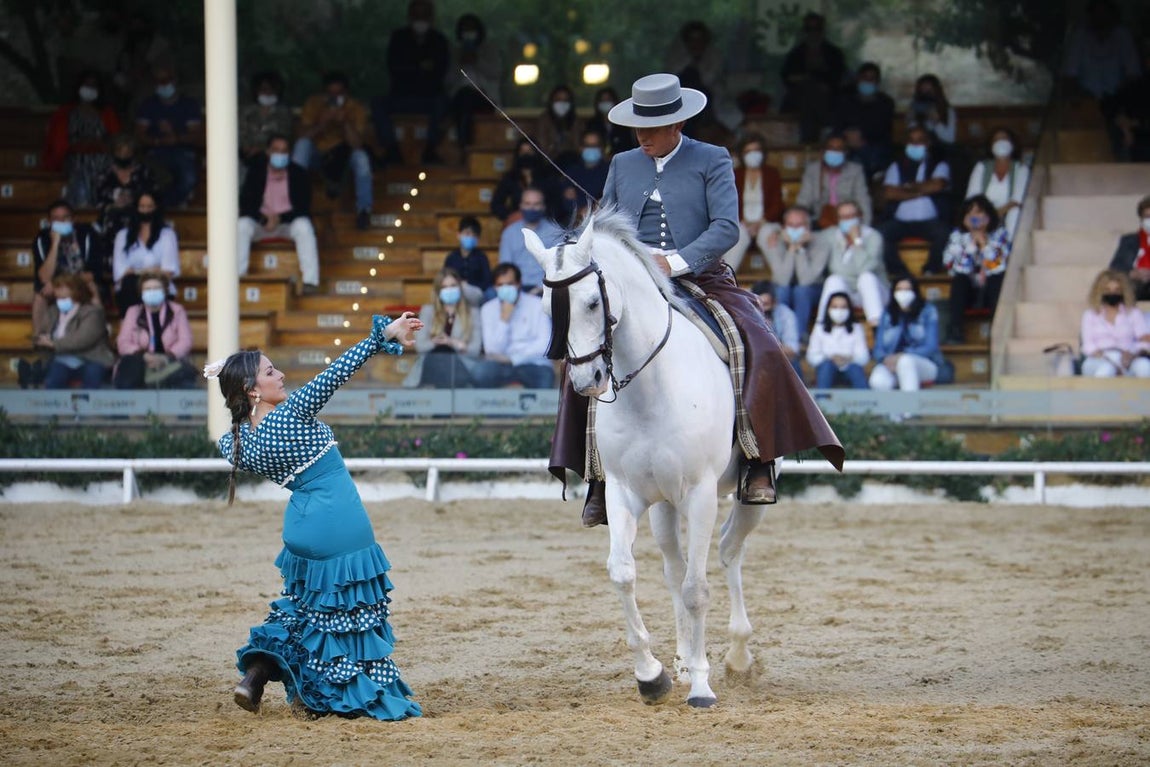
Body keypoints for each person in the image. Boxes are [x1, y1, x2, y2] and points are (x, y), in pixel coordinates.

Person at [551, 73, 843, 526]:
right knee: (583, 354)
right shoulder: (623, 164)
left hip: (701, 276)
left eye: (651, 127)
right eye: (638, 128)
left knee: (759, 342)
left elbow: (727, 227)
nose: (642, 136)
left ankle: (757, 459)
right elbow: (603, 226)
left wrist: (677, 262)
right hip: (635, 284)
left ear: (677, 125)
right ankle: (597, 476)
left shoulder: (713, 158)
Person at [210, 311, 424, 720]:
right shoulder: (290, 417)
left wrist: (238, 397)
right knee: (348, 617)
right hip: (338, 520)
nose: (281, 375)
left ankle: (256, 674)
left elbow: (227, 436)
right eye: (270, 372)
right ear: (252, 388)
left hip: (301, 525)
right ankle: (329, 697)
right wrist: (384, 336)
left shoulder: (237, 442)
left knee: (302, 608)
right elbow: (337, 372)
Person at [238, 134, 320, 294]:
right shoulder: (255, 172)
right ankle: (238, 278)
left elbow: (303, 208)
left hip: (287, 224)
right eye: (276, 150)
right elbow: (245, 204)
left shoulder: (299, 174)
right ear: (268, 152)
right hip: (261, 223)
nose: (280, 155)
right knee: (241, 225)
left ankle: (311, 282)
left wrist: (280, 218)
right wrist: (264, 220)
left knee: (304, 226)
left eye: (284, 151)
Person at [293, 71, 373, 230]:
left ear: (346, 93)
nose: (335, 99)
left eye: (339, 94)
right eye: (331, 94)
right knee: (302, 146)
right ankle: (296, 206)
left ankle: (364, 210)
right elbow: (301, 136)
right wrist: (322, 123)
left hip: (343, 156)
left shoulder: (355, 107)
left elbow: (357, 144)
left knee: (362, 158)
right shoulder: (314, 103)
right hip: (318, 153)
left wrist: (345, 123)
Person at [374, 0, 450, 165]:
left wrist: (413, 67)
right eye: (416, 14)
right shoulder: (398, 38)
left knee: (444, 103)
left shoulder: (439, 40)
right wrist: (421, 67)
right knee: (378, 103)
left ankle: (430, 150)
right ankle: (391, 149)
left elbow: (440, 71)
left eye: (424, 15)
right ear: (409, 16)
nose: (420, 18)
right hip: (402, 96)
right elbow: (394, 68)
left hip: (430, 98)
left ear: (431, 17)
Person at [878, 125, 952, 275]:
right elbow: (889, 193)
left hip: (930, 222)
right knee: (879, 234)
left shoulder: (939, 164)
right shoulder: (896, 166)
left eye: (920, 141)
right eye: (911, 141)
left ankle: (931, 269)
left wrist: (905, 189)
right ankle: (900, 272)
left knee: (945, 233)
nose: (915, 145)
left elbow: (937, 185)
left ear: (928, 143)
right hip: (900, 223)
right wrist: (921, 191)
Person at [44, 70, 122, 208]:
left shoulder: (106, 113)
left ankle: (105, 207)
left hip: (101, 154)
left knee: (109, 169)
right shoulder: (66, 112)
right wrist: (82, 145)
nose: (89, 89)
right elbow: (59, 141)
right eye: (86, 85)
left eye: (93, 86)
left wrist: (100, 145)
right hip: (75, 156)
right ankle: (83, 208)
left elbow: (115, 139)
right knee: (83, 169)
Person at [942, 195, 1011, 345]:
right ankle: (955, 332)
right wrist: (972, 246)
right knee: (959, 280)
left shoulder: (1001, 235)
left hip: (991, 291)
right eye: (969, 213)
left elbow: (999, 267)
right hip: (969, 293)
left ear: (988, 216)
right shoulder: (956, 237)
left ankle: (998, 332)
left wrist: (984, 245)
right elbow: (953, 267)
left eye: (978, 212)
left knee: (997, 279)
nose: (974, 216)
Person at [474, 264, 554, 388]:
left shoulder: (537, 305)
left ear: (519, 284)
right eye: (500, 285)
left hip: (533, 364)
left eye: (510, 284)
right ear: (495, 287)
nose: (505, 288)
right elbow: (492, 350)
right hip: (500, 366)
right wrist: (504, 320)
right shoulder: (488, 309)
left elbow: (545, 345)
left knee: (545, 377)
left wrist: (513, 359)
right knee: (480, 373)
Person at [134, 64, 203, 208]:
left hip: (183, 153)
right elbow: (139, 135)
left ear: (175, 80)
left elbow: (197, 135)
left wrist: (176, 138)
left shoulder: (188, 105)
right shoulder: (148, 105)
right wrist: (158, 141)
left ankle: (165, 208)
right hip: (155, 153)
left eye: (166, 80)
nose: (163, 84)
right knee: (147, 179)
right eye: (159, 81)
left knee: (189, 178)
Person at [113, 271, 196, 389]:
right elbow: (123, 342)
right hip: (140, 362)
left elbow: (186, 341)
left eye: (156, 288)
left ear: (165, 291)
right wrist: (144, 355)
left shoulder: (177, 311)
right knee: (129, 369)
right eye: (148, 289)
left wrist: (166, 357)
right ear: (141, 292)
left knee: (183, 377)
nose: (152, 291)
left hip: (170, 362)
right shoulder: (133, 312)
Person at [32, 199, 103, 332]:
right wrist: (55, 244)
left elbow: (94, 273)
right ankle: (39, 339)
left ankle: (98, 334)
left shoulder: (87, 235)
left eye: (65, 218)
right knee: (39, 294)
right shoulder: (42, 238)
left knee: (92, 287)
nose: (61, 222)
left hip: (80, 282)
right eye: (56, 219)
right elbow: (43, 276)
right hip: (54, 285)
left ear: (73, 219)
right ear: (49, 222)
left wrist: (65, 284)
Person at [32, 273, 114, 389]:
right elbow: (43, 332)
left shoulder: (93, 312)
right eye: (58, 297)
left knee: (93, 374)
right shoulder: (53, 312)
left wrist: (53, 343)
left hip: (91, 359)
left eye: (64, 298)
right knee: (54, 376)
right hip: (61, 359)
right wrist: (40, 340)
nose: (60, 301)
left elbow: (82, 340)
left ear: (77, 294)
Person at [813, 200, 888, 326]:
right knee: (833, 280)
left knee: (866, 278)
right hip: (847, 295)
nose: (848, 220)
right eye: (843, 217)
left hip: (875, 293)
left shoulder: (873, 236)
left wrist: (857, 242)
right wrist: (777, 233)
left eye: (851, 216)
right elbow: (810, 236)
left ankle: (878, 328)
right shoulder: (831, 235)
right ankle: (821, 326)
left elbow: (865, 268)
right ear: (838, 220)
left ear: (860, 216)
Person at [405, 268, 482, 388]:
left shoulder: (472, 313)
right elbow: (420, 346)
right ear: (438, 291)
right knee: (440, 352)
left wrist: (451, 343)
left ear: (460, 288)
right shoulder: (428, 311)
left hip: (462, 367)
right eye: (444, 287)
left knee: (446, 352)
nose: (449, 290)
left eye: (453, 286)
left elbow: (475, 350)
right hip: (432, 365)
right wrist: (436, 342)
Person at [780, 12, 846, 143]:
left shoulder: (834, 54)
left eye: (817, 29)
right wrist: (808, 80)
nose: (813, 33)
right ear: (804, 31)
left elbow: (838, 78)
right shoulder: (796, 54)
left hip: (829, 100)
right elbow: (787, 78)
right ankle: (822, 133)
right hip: (799, 101)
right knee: (809, 93)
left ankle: (811, 139)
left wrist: (815, 81)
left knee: (815, 95)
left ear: (822, 30)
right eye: (809, 29)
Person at [869, 275, 944, 391]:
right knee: (878, 380)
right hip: (891, 363)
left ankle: (909, 409)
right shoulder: (887, 313)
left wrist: (902, 355)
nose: (903, 293)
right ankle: (891, 410)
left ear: (915, 292)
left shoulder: (928, 311)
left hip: (924, 363)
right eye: (899, 289)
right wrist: (885, 359)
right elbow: (878, 348)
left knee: (905, 361)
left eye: (907, 289)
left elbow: (931, 346)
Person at [722, 132, 783, 272]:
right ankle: (726, 280)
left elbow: (777, 204)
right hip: (741, 223)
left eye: (756, 150)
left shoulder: (772, 173)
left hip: (766, 222)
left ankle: (781, 281)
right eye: (748, 151)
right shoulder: (735, 174)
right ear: (742, 154)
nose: (753, 154)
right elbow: (729, 203)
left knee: (768, 235)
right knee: (738, 235)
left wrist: (760, 222)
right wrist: (745, 222)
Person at [762, 206, 826, 335]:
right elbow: (782, 279)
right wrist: (792, 249)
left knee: (801, 291)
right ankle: (779, 337)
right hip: (783, 287)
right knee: (781, 290)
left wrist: (800, 249)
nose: (795, 229)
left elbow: (806, 280)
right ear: (784, 227)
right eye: (791, 225)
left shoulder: (820, 242)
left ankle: (798, 337)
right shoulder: (775, 240)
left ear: (808, 226)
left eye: (799, 225)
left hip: (811, 289)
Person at [112, 192, 179, 314]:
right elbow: (120, 273)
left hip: (160, 289)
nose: (146, 210)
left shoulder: (167, 235)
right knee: (129, 283)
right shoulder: (122, 236)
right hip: (130, 289)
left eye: (150, 206)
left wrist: (136, 271)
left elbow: (168, 271)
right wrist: (153, 269)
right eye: (142, 206)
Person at [1079, 269, 1150, 378]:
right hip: (1099, 359)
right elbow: (1088, 345)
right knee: (1107, 370)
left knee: (1145, 367)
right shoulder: (1090, 315)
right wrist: (1110, 361)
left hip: (1128, 357)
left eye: (1117, 290)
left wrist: (1132, 355)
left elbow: (1144, 340)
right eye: (1107, 290)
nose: (1112, 293)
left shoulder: (1133, 313)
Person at [446, 13, 501, 152]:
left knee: (468, 98)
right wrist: (461, 62)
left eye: (471, 29)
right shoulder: (454, 53)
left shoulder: (490, 50)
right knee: (465, 97)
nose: (468, 33)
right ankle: (465, 146)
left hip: (485, 99)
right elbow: (448, 80)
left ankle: (465, 145)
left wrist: (477, 60)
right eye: (465, 30)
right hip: (460, 99)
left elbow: (496, 73)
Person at [964, 127, 1030, 240]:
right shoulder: (981, 167)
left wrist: (995, 215)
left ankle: (1010, 250)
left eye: (1004, 139)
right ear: (991, 146)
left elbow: (1016, 201)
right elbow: (972, 198)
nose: (1000, 143)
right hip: (983, 215)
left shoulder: (1021, 169)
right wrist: (985, 216)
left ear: (1012, 144)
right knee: (970, 219)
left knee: (1015, 213)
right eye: (996, 140)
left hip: (1007, 214)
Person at [795, 132, 872, 228]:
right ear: (823, 151)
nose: (835, 151)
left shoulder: (855, 170)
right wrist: (798, 223)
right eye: (831, 148)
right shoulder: (813, 171)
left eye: (839, 149)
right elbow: (803, 200)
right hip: (821, 221)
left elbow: (863, 200)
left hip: (848, 220)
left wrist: (865, 228)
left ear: (845, 152)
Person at [833, 61, 895, 179]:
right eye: (865, 77)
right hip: (847, 146)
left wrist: (861, 140)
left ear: (877, 82)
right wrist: (847, 137)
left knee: (863, 158)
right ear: (858, 79)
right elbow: (838, 126)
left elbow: (881, 129)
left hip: (875, 147)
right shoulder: (845, 101)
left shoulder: (886, 102)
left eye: (872, 78)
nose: (868, 81)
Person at [95, 135, 156, 250]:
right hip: (110, 218)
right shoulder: (105, 174)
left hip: (138, 215)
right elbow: (99, 198)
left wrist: (133, 200)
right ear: (114, 152)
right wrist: (114, 204)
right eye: (120, 152)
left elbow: (151, 195)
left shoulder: (144, 173)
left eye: (127, 152)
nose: (123, 155)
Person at [498, 187, 563, 296]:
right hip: (515, 288)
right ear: (521, 206)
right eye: (527, 204)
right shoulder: (509, 233)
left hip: (546, 288)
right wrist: (516, 289)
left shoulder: (556, 232)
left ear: (543, 206)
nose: (531, 208)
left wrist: (542, 288)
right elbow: (505, 267)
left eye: (536, 204)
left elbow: (559, 266)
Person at [806, 291, 870, 389]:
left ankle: (866, 402)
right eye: (835, 307)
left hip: (849, 369)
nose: (839, 311)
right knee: (826, 367)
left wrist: (847, 359)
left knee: (855, 368)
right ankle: (821, 401)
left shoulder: (856, 328)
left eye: (843, 307)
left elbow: (863, 357)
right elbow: (811, 357)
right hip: (827, 370)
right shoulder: (819, 328)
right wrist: (830, 358)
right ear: (828, 309)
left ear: (849, 309)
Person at [489, 139, 556, 222]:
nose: (526, 154)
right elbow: (496, 204)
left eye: (529, 151)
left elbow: (557, 203)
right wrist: (512, 216)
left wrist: (544, 217)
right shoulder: (511, 177)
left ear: (536, 153)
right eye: (522, 151)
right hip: (518, 222)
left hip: (544, 222)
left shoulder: (548, 176)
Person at [238, 71, 294, 169]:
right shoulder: (246, 111)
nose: (268, 92)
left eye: (271, 89)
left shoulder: (284, 112)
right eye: (263, 89)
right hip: (246, 153)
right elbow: (241, 132)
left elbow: (285, 136)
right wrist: (247, 148)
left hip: (273, 154)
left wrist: (261, 149)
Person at [750, 281, 803, 379]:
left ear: (775, 302)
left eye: (766, 304)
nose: (762, 310)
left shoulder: (786, 314)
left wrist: (770, 338)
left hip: (780, 359)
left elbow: (792, 349)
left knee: (793, 364)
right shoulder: (746, 313)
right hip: (756, 359)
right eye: (759, 305)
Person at [560, 129, 610, 224]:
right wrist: (580, 211)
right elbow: (567, 200)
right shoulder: (572, 171)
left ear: (602, 148)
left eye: (595, 146)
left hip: (602, 222)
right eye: (588, 146)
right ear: (581, 148)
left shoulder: (610, 171)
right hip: (575, 222)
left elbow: (610, 198)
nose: (591, 149)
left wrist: (592, 209)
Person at [443, 215, 493, 305]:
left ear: (478, 239)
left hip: (477, 292)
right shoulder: (451, 257)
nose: (470, 237)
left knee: (491, 293)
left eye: (474, 235)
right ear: (458, 235)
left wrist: (469, 284)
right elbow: (445, 277)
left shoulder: (481, 257)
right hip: (456, 290)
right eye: (467, 233)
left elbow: (487, 281)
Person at [1108, 194, 1150, 301]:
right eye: (1147, 217)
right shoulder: (1129, 241)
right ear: (1141, 219)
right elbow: (1115, 268)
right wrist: (1132, 273)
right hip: (1135, 287)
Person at [536, 85, 582, 168]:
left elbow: (577, 146)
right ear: (551, 101)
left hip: (571, 163)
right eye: (558, 100)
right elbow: (541, 148)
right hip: (549, 164)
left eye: (566, 100)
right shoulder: (543, 120)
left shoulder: (575, 121)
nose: (562, 103)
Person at [907, 74, 957, 147]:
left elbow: (950, 139)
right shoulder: (916, 109)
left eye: (929, 91)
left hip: (941, 151)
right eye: (922, 91)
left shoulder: (948, 111)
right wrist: (911, 120)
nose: (926, 95)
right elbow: (912, 138)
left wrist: (936, 122)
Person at [586, 86, 637, 156]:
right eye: (602, 100)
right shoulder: (592, 124)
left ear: (614, 101)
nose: (605, 103)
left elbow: (628, 146)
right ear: (597, 103)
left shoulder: (623, 125)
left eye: (608, 100)